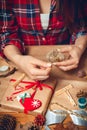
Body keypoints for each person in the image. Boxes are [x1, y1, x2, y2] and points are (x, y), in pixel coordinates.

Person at [0, 0, 87, 81]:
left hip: (67, 66)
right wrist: (19, 59)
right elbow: (7, 34)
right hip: (24, 66)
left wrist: (79, 47)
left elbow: (81, 27)